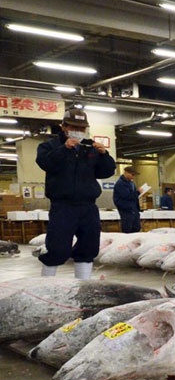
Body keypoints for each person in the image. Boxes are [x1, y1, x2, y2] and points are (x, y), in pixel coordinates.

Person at [35, 109, 115, 279]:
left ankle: (82, 287)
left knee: (89, 246)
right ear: (63, 126)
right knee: (58, 248)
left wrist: (104, 155)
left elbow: (106, 172)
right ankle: (45, 287)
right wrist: (64, 149)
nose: (77, 131)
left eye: (81, 127)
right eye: (73, 126)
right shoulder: (49, 146)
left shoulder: (90, 147)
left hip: (88, 206)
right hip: (63, 206)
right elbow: (45, 163)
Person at [113, 165, 141, 234]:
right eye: (132, 174)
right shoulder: (120, 184)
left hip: (133, 209)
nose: (133, 177)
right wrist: (138, 192)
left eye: (134, 175)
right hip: (126, 210)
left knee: (136, 228)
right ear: (126, 173)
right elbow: (127, 196)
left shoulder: (131, 183)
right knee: (127, 230)